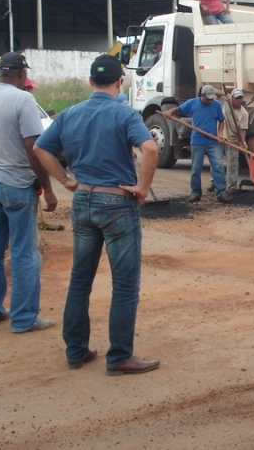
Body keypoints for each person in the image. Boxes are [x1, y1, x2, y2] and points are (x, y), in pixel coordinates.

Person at [33, 54, 161, 375]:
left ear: (90, 82)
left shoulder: (70, 114)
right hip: (117, 204)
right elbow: (150, 148)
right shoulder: (125, 113)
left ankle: (76, 351)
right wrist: (143, 187)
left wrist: (64, 180)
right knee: (125, 285)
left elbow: (40, 148)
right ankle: (119, 357)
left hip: (83, 201)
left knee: (80, 281)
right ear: (120, 82)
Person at [0, 51, 58, 333]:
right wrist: (48, 188)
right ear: (21, 75)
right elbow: (33, 147)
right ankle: (24, 318)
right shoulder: (24, 99)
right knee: (25, 253)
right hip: (17, 184)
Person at [161, 85, 231, 203]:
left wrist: (219, 133)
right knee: (196, 169)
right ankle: (196, 193)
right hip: (197, 141)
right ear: (202, 95)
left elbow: (221, 120)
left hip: (212, 142)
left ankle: (221, 193)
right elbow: (178, 109)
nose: (210, 100)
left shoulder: (216, 105)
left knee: (218, 166)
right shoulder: (192, 103)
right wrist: (169, 112)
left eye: (212, 98)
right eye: (208, 98)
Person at [215, 88, 249, 193]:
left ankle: (232, 186)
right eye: (236, 98)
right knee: (216, 162)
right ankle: (214, 182)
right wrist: (226, 94)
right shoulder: (226, 102)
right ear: (232, 98)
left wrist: (243, 143)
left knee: (233, 164)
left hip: (233, 140)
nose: (239, 100)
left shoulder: (244, 113)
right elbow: (212, 90)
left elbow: (242, 130)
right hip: (220, 137)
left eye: (240, 98)